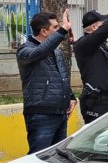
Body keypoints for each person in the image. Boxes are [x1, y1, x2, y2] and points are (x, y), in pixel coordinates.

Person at [17, 10, 77, 153]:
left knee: (57, 158)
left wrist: (71, 97)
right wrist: (63, 30)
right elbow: (40, 52)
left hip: (60, 113)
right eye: (55, 27)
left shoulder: (55, 51)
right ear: (44, 31)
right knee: (39, 158)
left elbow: (60, 76)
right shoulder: (25, 51)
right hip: (41, 115)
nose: (59, 30)